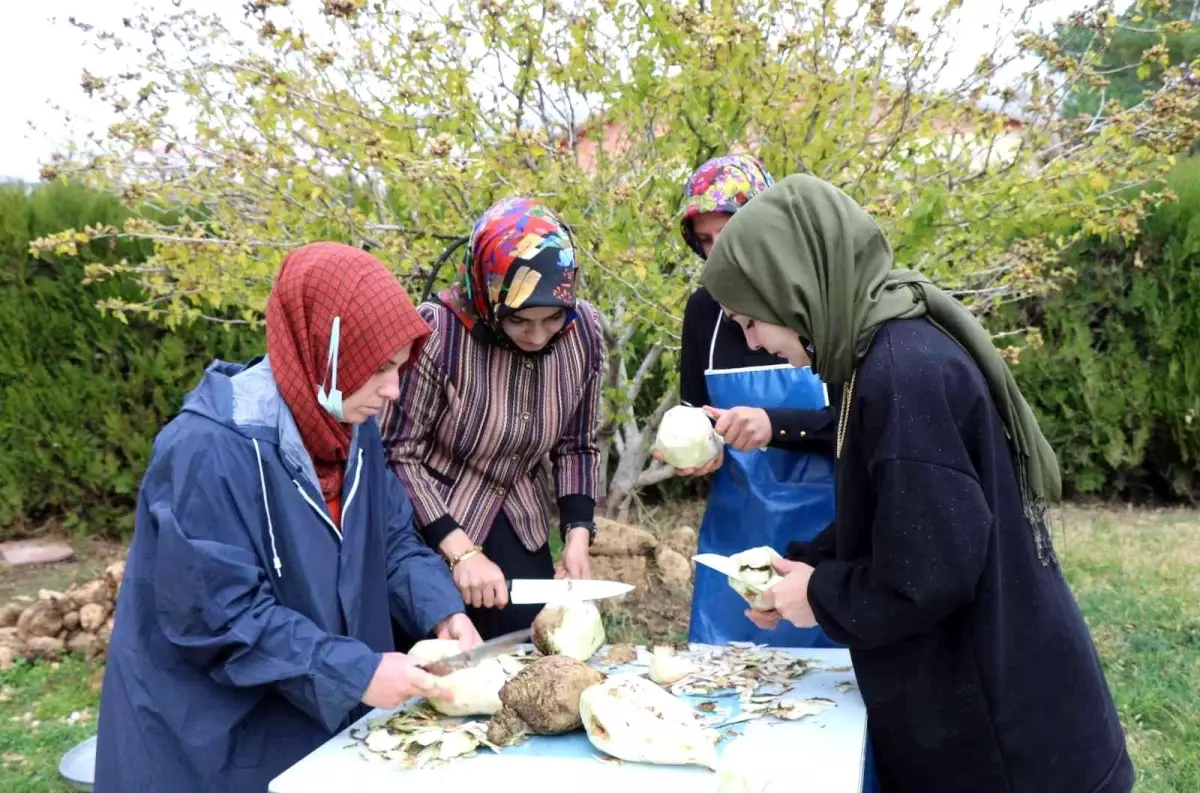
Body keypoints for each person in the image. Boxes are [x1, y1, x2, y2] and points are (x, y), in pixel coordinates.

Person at [701, 174, 1135, 793]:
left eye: (751, 322)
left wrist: (822, 593)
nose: (755, 343)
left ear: (793, 287)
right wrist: (802, 565)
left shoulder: (903, 373)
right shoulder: (878, 355)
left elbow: (927, 572)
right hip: (986, 705)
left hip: (1006, 741)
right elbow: (899, 514)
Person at [93, 242, 483, 793]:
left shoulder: (353, 429)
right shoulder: (206, 451)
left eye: (399, 368)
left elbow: (392, 541)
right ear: (324, 354)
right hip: (209, 745)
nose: (394, 390)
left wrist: (440, 610)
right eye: (378, 368)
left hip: (312, 723)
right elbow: (221, 619)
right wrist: (358, 671)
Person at [381, 196, 605, 643]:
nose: (538, 336)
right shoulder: (437, 335)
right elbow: (398, 452)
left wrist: (577, 536)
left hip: (521, 523)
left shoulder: (584, 334)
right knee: (443, 677)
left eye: (552, 318)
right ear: (487, 295)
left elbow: (577, 444)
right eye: (520, 321)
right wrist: (461, 553)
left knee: (529, 665)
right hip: (433, 528)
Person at [670, 154, 839, 648]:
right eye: (705, 241)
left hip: (827, 536)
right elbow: (697, 411)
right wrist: (701, 450)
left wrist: (775, 424)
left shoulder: (817, 303)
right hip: (737, 536)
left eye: (730, 232)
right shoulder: (704, 311)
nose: (718, 251)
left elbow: (861, 423)